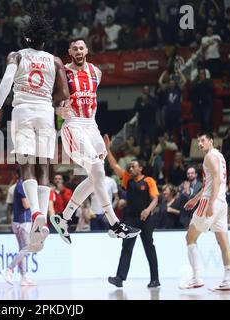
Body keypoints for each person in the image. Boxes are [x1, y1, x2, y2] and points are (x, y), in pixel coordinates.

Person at [0, 10, 70, 251]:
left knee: (26, 164)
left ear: (26, 39)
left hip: (22, 110)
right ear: (44, 41)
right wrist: (51, 100)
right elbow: (64, 94)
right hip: (45, 112)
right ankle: (43, 215)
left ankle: (36, 213)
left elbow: (7, 80)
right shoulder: (54, 60)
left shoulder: (17, 55)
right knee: (43, 165)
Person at [50, 38, 140, 244]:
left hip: (92, 126)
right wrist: (57, 110)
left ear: (87, 50)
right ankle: (115, 224)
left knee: (95, 177)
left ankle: (63, 218)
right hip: (73, 124)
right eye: (75, 48)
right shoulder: (62, 72)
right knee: (98, 169)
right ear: (70, 52)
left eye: (81, 47)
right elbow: (52, 98)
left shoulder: (96, 72)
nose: (79, 51)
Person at [180, 133, 230, 291]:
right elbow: (211, 182)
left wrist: (209, 203)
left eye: (203, 140)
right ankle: (228, 280)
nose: (200, 144)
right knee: (223, 242)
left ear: (211, 141)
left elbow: (217, 180)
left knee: (190, 237)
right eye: (198, 141)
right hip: (221, 202)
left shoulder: (209, 157)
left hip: (211, 201)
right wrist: (195, 199)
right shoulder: (220, 156)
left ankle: (197, 278)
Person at [103, 139, 160, 288]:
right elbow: (114, 165)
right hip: (130, 219)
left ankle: (155, 279)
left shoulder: (149, 181)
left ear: (141, 168)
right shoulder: (127, 179)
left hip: (146, 219)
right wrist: (108, 149)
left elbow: (155, 199)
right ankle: (119, 278)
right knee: (126, 247)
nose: (130, 168)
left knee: (149, 248)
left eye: (133, 166)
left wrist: (147, 210)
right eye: (129, 166)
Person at [1, 169, 37, 287]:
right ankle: (9, 269)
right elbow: (26, 204)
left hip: (18, 221)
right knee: (27, 248)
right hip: (23, 221)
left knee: (22, 249)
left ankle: (23, 277)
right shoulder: (22, 185)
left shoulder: (18, 185)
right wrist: (36, 201)